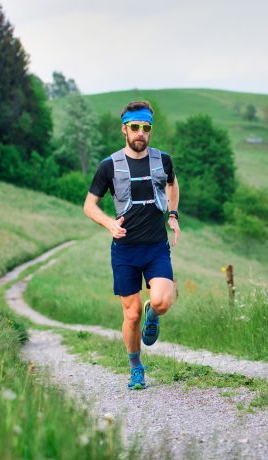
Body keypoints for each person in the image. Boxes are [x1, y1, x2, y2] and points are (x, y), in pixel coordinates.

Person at [84, 101, 180, 390]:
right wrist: (108, 223)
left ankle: (155, 313)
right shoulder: (109, 166)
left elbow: (172, 185)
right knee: (131, 314)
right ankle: (136, 367)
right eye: (135, 127)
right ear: (124, 129)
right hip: (125, 250)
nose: (141, 133)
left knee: (162, 301)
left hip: (155, 247)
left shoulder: (163, 160)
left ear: (150, 131)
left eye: (146, 128)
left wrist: (173, 215)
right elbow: (89, 206)